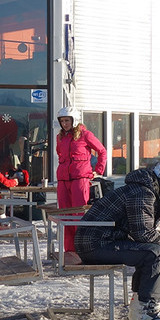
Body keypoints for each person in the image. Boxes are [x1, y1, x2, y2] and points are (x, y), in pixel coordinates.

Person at [76, 160, 160, 320]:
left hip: (95, 242)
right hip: (96, 244)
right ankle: (146, 312)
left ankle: (139, 309)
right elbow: (143, 233)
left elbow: (140, 234)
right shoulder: (142, 193)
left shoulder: (141, 189)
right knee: (155, 254)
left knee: (149, 252)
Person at [54, 107, 107, 256]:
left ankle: (82, 249)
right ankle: (69, 252)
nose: (64, 124)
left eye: (67, 120)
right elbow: (60, 153)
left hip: (80, 180)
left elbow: (102, 151)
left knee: (78, 215)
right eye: (62, 121)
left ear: (74, 120)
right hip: (63, 181)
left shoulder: (85, 135)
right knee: (65, 216)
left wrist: (98, 170)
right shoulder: (60, 138)